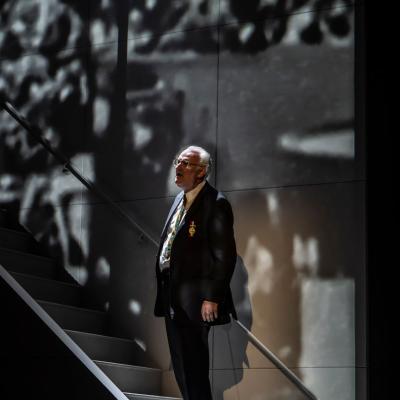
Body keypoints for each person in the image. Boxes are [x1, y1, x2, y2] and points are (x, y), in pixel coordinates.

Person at [154, 145, 237, 400]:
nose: (178, 167)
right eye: (177, 161)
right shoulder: (180, 199)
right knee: (180, 364)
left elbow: (225, 256)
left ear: (201, 172)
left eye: (186, 163)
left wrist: (212, 297)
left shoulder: (216, 203)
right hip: (171, 293)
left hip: (196, 299)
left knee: (194, 365)